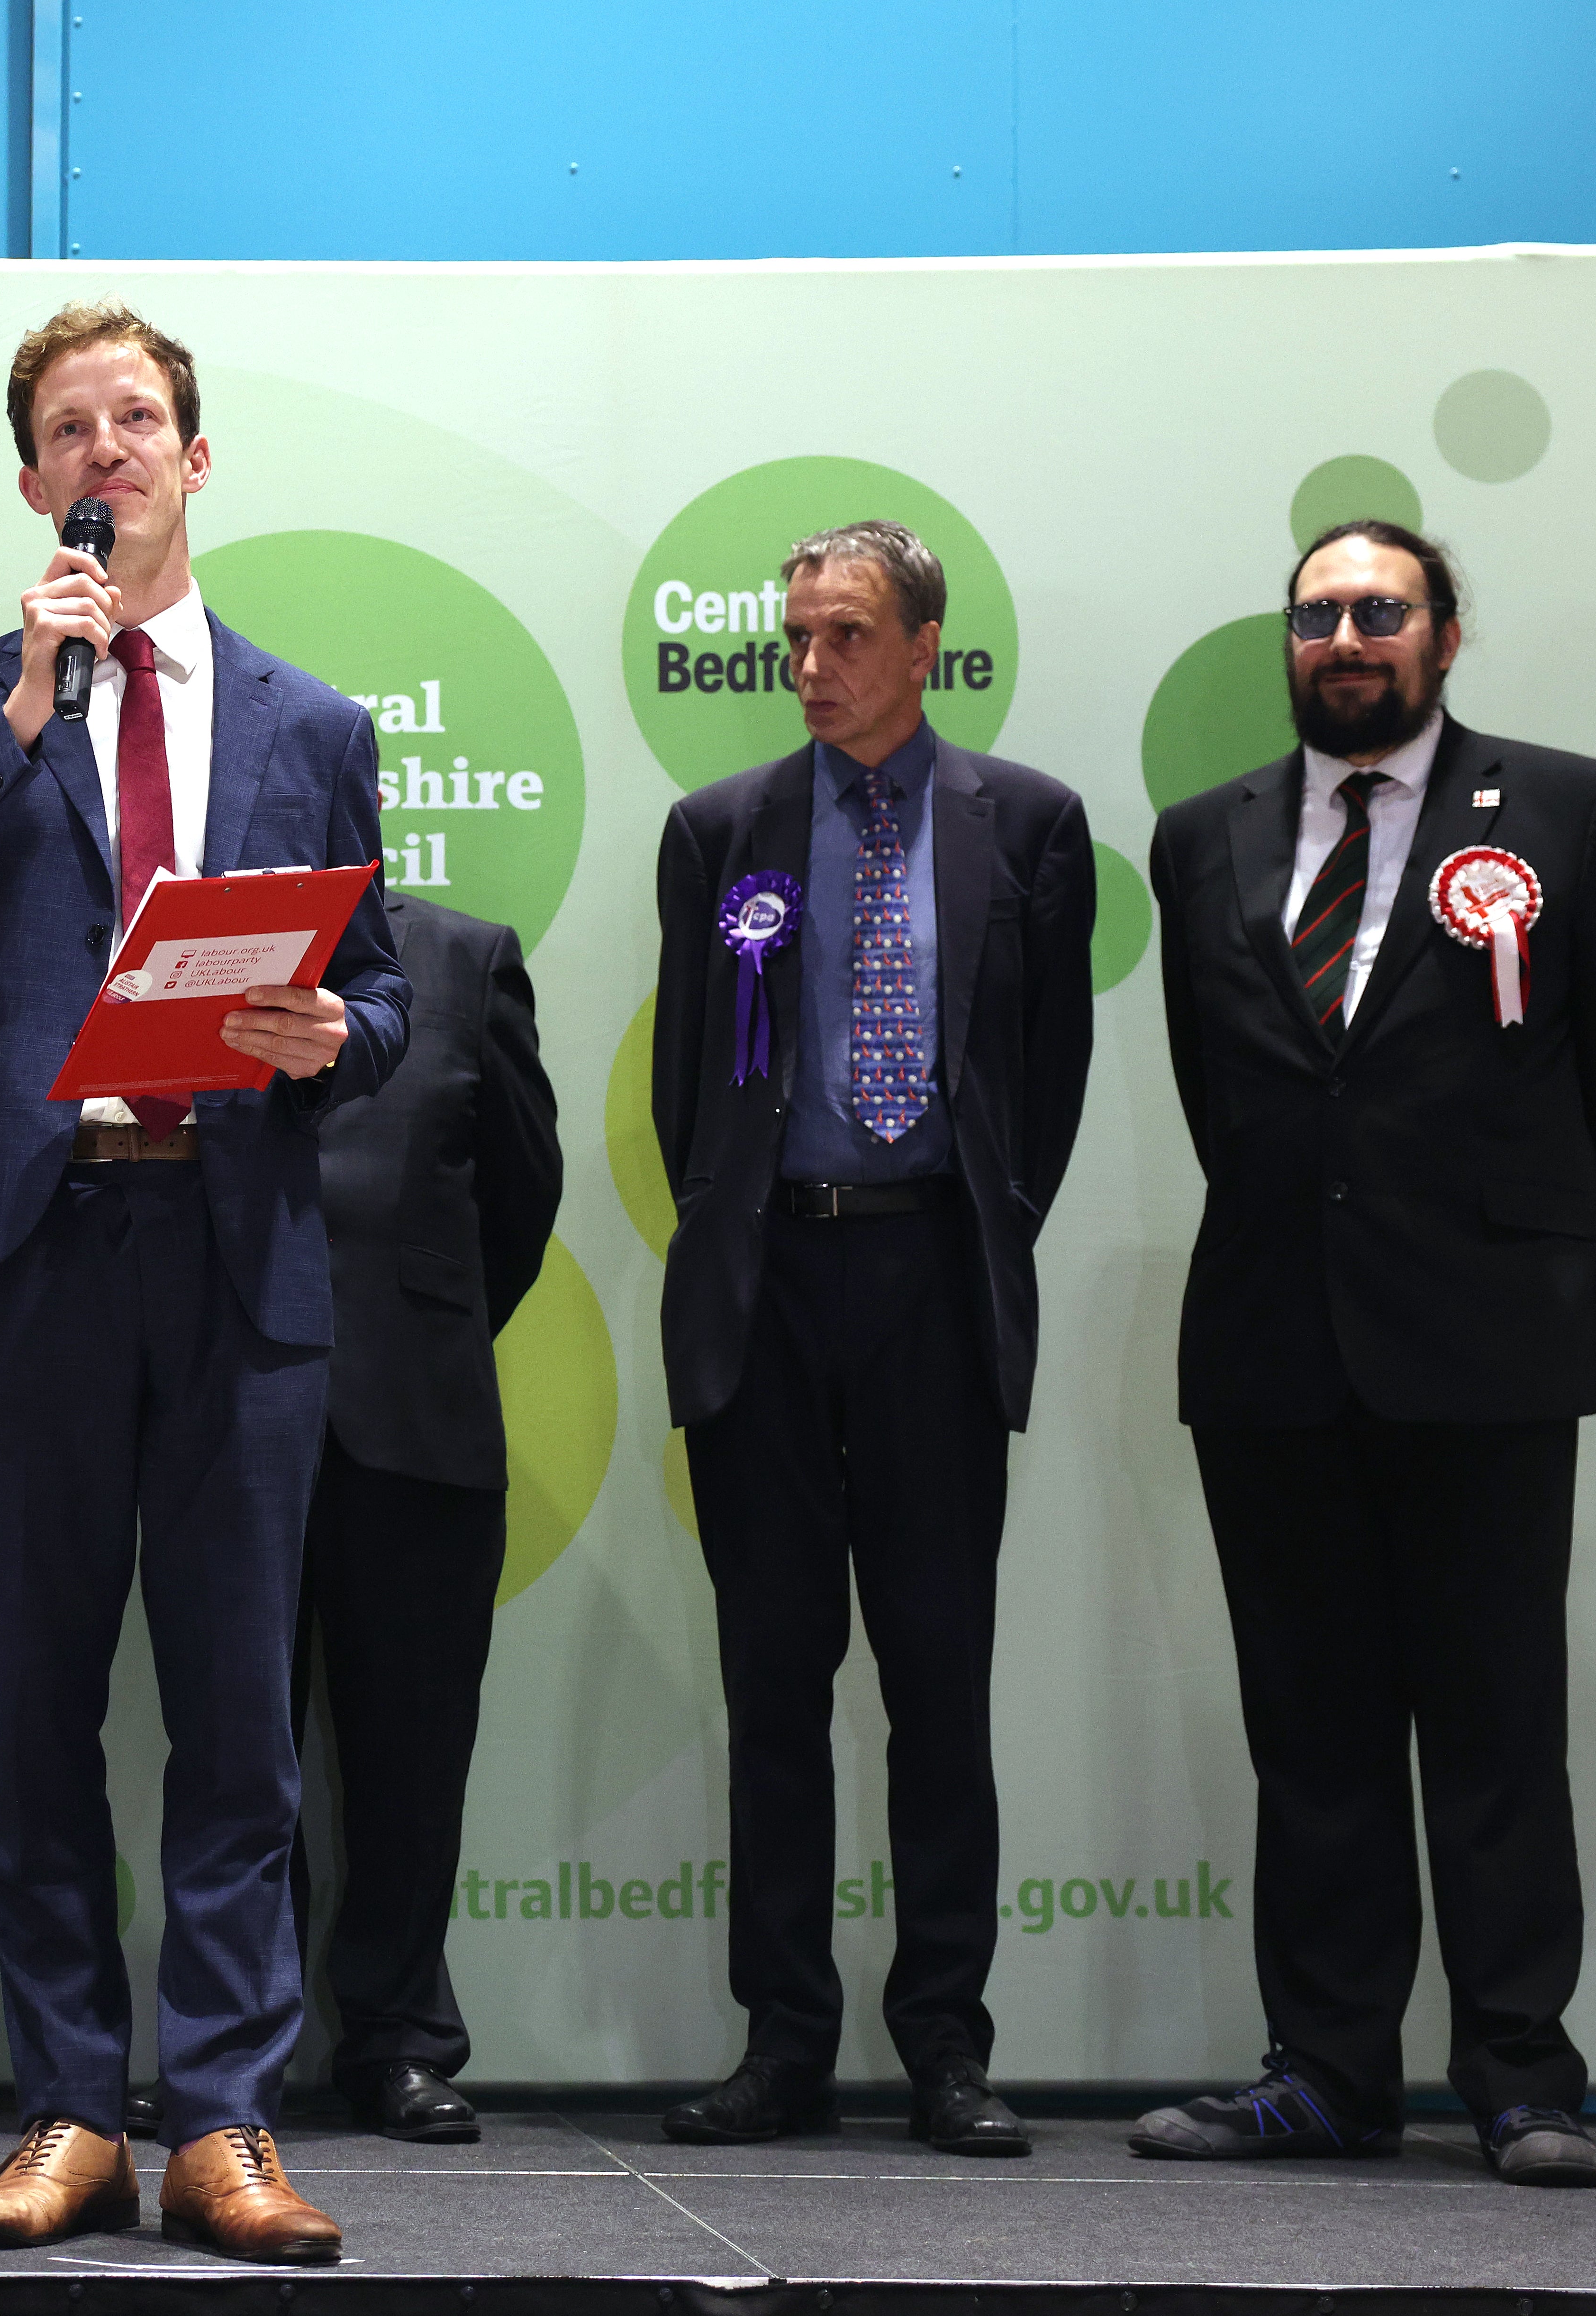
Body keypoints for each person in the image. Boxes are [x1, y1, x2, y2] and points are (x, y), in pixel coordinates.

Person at [0, 302, 408, 2265]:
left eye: (141, 417)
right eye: (72, 427)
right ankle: (73, 2106)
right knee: (48, 1709)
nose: (111, 448)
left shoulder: (311, 724)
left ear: (194, 454)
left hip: (237, 1255)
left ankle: (227, 2119)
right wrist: (24, 707)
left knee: (241, 1716)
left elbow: (391, 987)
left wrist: (343, 1028)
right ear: (32, 481)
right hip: (30, 1256)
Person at [1131, 522, 1596, 2188]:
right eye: (1316, 616)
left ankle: (1520, 2078)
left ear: (1444, 635)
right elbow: (1230, 1097)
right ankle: (1327, 2072)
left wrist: (1518, 1257)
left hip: (1487, 1342)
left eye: (1378, 612)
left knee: (1497, 1720)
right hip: (1272, 1343)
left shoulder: (1565, 806)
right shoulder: (1197, 836)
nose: (1344, 639)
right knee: (1313, 1728)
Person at [649, 522, 1091, 2158]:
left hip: (928, 1292)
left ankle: (945, 2047)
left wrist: (962, 1230)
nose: (815, 666)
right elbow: (690, 1088)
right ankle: (780, 2043)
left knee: (936, 1688)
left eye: (848, 635)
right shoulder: (723, 830)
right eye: (797, 639)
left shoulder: (1028, 826)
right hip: (769, 1299)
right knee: (773, 1684)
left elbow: (1040, 1090)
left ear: (923, 647)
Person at [290, 887, 558, 2143]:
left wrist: (420, 1320)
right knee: (238, 1763)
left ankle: (396, 2041)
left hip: (419, 1415)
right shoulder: (185, 946)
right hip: (231, 1417)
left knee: (409, 1761)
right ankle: (231, 2038)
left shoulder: (466, 953)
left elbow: (521, 1189)